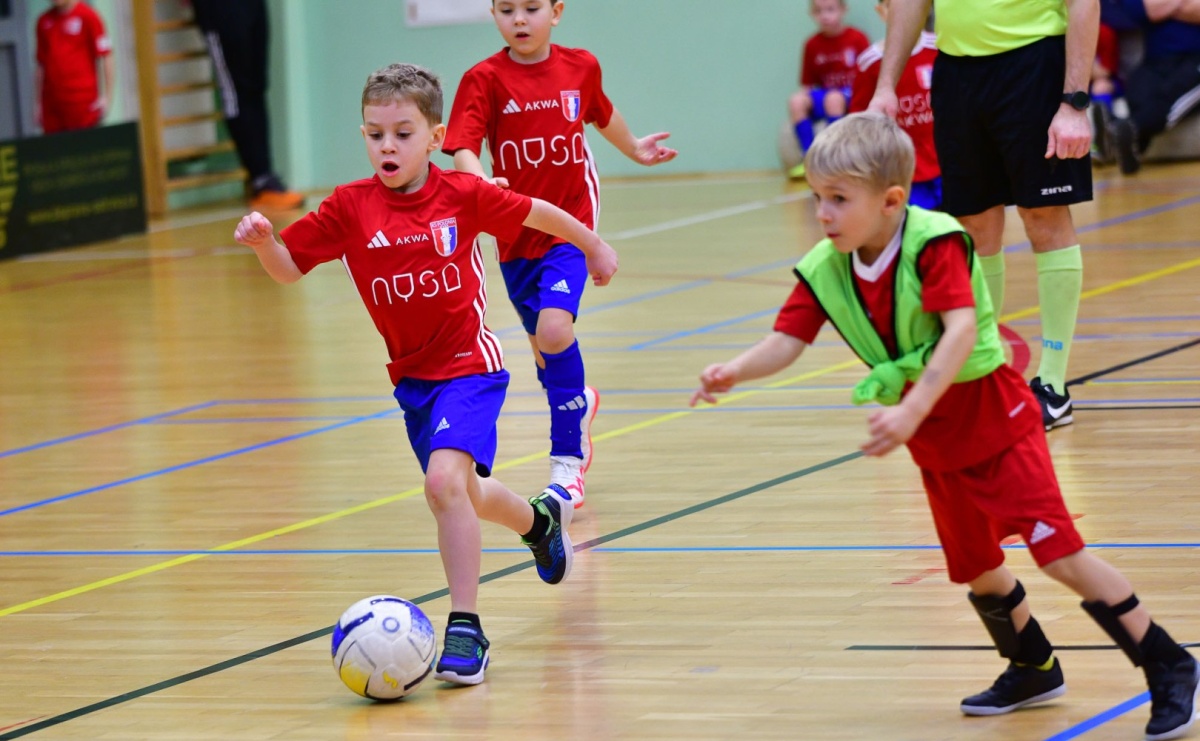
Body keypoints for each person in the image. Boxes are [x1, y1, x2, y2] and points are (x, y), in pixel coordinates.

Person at [690, 113, 1200, 741]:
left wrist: (909, 409)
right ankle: (1032, 667)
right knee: (976, 565)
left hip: (994, 420)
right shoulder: (827, 265)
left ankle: (1169, 665)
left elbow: (959, 333)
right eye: (817, 198)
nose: (823, 213)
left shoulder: (933, 243)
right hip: (938, 439)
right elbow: (787, 339)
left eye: (839, 200)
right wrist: (734, 371)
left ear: (891, 201)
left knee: (1060, 555)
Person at [233, 63, 620, 686]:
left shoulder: (462, 195)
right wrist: (263, 245)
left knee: (442, 485)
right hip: (413, 383)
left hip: (470, 368)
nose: (387, 146)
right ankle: (539, 524)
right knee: (464, 494)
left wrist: (593, 245)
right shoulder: (349, 207)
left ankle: (466, 628)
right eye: (375, 134)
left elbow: (539, 213)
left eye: (403, 134)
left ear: (435, 137)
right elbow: (287, 268)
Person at [442, 0, 677, 507]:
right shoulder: (483, 79)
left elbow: (602, 113)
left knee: (554, 331)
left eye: (531, 8)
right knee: (544, 351)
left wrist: (635, 147)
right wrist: (480, 184)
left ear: (556, 12)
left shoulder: (580, 66)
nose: (519, 19)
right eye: (507, 9)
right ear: (493, 14)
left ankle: (567, 465)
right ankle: (578, 401)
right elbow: (464, 147)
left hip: (569, 223)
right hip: (514, 232)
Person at [867, 0, 1095, 432]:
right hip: (957, 74)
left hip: (1035, 63)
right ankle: (985, 376)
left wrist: (1074, 103)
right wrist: (886, 86)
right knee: (972, 223)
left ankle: (1052, 385)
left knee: (1043, 215)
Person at [187, 0, 305, 210]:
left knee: (256, 87)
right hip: (218, 8)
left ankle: (266, 178)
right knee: (235, 91)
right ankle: (260, 179)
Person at [849, 0, 941, 209]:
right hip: (906, 170)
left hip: (945, 161)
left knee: (960, 220)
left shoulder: (937, 46)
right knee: (916, 221)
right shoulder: (869, 62)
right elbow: (860, 116)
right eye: (892, 5)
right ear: (881, 11)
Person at [1101, 0, 1200, 174]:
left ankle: (1120, 130)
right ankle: (1130, 146)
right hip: (1155, 61)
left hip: (1195, 59)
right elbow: (1140, 11)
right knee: (1138, 91)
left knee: (1171, 95)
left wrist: (1163, 7)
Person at [788, 0, 871, 179]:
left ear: (843, 10)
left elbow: (869, 74)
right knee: (796, 101)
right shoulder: (811, 44)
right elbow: (807, 84)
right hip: (826, 94)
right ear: (812, 14)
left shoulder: (857, 38)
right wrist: (804, 100)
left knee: (833, 99)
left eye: (830, 10)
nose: (824, 16)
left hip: (851, 94)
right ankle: (809, 158)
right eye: (818, 11)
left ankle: (833, 159)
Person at [34, 0, 114, 134]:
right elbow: (40, 65)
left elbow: (106, 55)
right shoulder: (43, 21)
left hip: (82, 104)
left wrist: (107, 97)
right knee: (55, 146)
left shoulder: (89, 16)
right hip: (52, 106)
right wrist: (37, 104)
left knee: (84, 145)